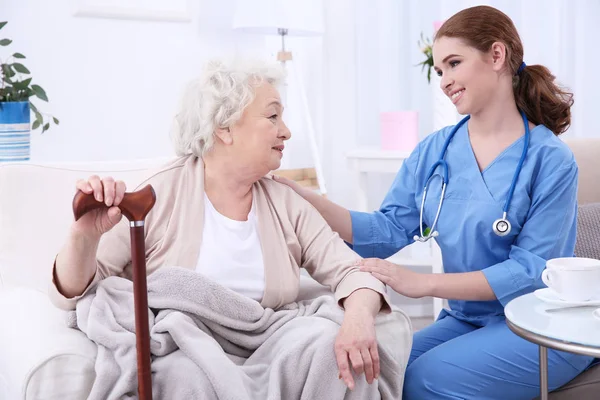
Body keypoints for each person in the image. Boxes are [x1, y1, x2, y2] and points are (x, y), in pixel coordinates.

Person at [275, 5, 594, 399]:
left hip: (540, 325)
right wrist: (308, 200)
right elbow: (389, 229)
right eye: (439, 70)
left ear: (497, 56)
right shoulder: (435, 150)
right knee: (376, 371)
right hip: (467, 319)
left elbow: (529, 272)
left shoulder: (551, 159)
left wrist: (424, 284)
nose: (444, 80)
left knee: (427, 379)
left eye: (453, 63)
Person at [49, 58, 407, 393]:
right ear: (224, 127)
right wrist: (83, 236)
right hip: (186, 344)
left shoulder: (285, 201)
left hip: (272, 341)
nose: (286, 131)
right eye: (272, 117)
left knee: (331, 349)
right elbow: (78, 293)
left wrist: (358, 319)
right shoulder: (158, 193)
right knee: (186, 376)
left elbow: (351, 271)